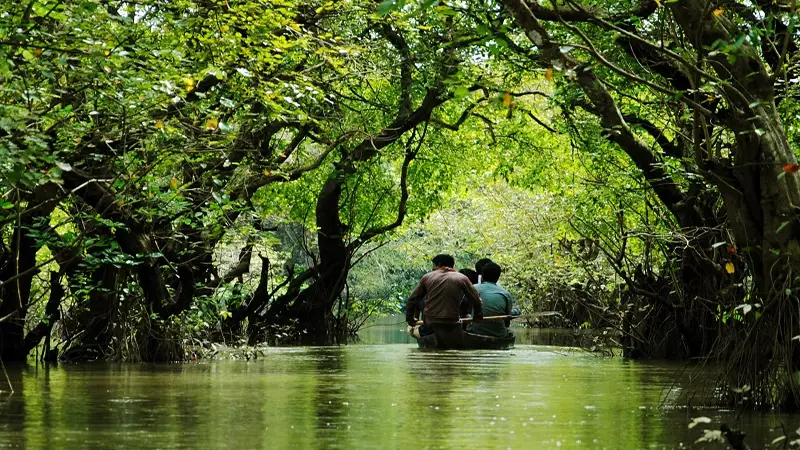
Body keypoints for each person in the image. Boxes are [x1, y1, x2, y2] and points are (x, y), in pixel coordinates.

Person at [406, 254, 483, 348]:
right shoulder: (462, 278)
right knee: (457, 346)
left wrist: (410, 319)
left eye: (433, 265)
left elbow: (412, 299)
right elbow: (476, 300)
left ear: (438, 264)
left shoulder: (427, 277)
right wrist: (478, 316)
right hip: (451, 321)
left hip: (430, 321)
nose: (432, 268)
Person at [467, 261, 514, 338]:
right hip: (499, 334)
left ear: (482, 276)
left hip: (474, 331)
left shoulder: (473, 288)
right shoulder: (506, 294)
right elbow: (507, 321)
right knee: (510, 332)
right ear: (498, 277)